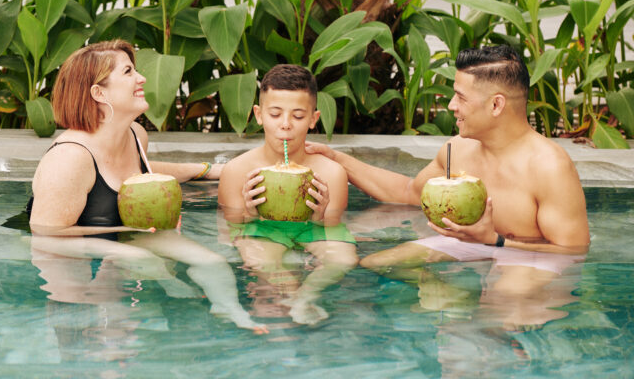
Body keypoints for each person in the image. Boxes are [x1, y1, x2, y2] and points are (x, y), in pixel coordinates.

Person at [306, 45, 590, 326]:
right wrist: (339, 159)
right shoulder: (459, 149)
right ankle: (455, 295)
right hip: (474, 243)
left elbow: (573, 250)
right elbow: (408, 193)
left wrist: (495, 242)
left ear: (496, 104)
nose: (452, 106)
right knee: (378, 262)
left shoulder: (548, 166)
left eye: (460, 97)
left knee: (502, 302)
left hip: (527, 253)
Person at [29, 39, 263, 331]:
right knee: (128, 283)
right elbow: (45, 235)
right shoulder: (70, 158)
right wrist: (124, 241)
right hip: (73, 248)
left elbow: (141, 174)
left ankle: (230, 311)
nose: (141, 78)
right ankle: (170, 285)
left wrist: (210, 170)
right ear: (99, 92)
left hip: (129, 233)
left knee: (212, 262)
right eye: (128, 72)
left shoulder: (135, 134)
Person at [218, 64, 359, 325]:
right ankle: (293, 296)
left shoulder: (331, 172)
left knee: (343, 259)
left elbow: (332, 227)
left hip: (311, 229)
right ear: (259, 115)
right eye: (275, 114)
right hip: (264, 229)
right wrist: (249, 215)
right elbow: (230, 231)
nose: (285, 125)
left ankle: (307, 297)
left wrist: (319, 217)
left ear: (313, 119)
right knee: (258, 258)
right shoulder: (237, 171)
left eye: (297, 116)